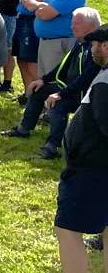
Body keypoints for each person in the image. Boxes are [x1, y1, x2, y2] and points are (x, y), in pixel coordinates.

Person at [52, 25, 108, 272]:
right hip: (96, 167)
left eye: (94, 44)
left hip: (93, 169)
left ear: (105, 46)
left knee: (67, 229)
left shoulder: (105, 83)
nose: (92, 50)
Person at [5, 9, 100, 144]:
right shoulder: (80, 42)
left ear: (91, 25)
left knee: (58, 104)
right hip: (69, 89)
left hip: (83, 95)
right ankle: (23, 129)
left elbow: (85, 79)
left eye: (76, 24)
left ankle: (53, 145)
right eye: (72, 23)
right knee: (38, 90)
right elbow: (63, 65)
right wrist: (43, 80)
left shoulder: (95, 49)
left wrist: (60, 94)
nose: (72, 26)